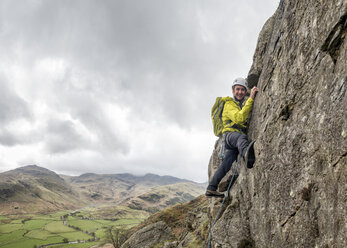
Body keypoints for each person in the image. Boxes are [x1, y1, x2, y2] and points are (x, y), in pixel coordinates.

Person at [206, 77, 259, 198]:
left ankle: (211, 188)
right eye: (237, 89)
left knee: (226, 163)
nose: (240, 92)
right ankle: (246, 155)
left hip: (232, 141)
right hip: (230, 136)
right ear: (233, 91)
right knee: (241, 138)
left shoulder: (238, 105)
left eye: (242, 90)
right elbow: (239, 118)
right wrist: (251, 98)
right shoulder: (229, 104)